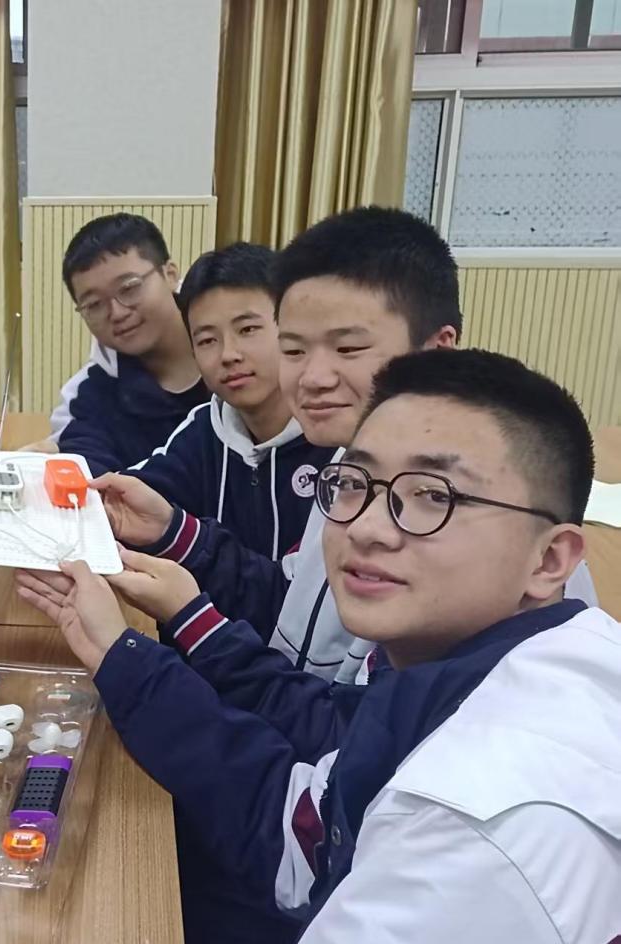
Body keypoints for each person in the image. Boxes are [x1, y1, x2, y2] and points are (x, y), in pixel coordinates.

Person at [19, 348, 621, 944]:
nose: (367, 527)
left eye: (434, 496)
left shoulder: (469, 831)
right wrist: (121, 652)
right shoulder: (451, 670)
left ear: (550, 559)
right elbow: (304, 831)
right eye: (354, 483)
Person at [90, 206, 595, 680]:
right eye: (293, 350)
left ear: (437, 349)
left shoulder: (483, 521)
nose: (313, 379)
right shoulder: (354, 474)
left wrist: (154, 642)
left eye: (348, 347)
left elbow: (353, 725)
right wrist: (172, 537)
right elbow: (296, 615)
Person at [127, 243, 333, 560]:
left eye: (247, 329)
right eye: (207, 340)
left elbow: (293, 586)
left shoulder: (337, 444)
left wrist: (183, 538)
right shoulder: (206, 429)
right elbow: (132, 495)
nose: (228, 354)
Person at [47, 213, 208, 476]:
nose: (117, 313)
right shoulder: (91, 393)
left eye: (129, 288)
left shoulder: (233, 357)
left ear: (170, 274)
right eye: (94, 305)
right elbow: (87, 461)